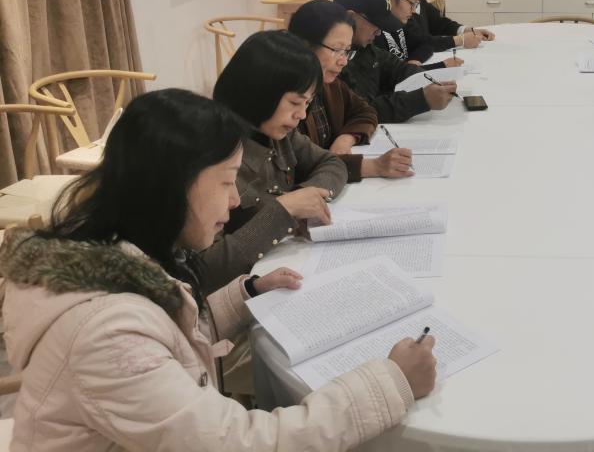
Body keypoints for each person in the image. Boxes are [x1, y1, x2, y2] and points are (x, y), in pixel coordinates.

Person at [0, 88, 437, 451]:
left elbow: (166, 337)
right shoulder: (105, 334)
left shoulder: (118, 256)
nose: (235, 200)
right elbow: (237, 442)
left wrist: (244, 295)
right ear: (171, 186)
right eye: (227, 181)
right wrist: (391, 381)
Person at [204, 30, 349, 291]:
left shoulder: (276, 132)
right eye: (295, 102)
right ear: (260, 92)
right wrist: (284, 211)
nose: (302, 115)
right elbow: (205, 270)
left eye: (307, 103)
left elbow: (332, 163)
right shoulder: (212, 154)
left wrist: (305, 198)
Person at [288, 0, 413, 179]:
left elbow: (365, 111)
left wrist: (346, 138)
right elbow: (299, 166)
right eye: (336, 49)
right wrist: (373, 167)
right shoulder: (285, 94)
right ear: (305, 44)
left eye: (347, 51)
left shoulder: (329, 83)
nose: (344, 61)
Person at [334, 0, 457, 122]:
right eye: (375, 24)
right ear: (350, 17)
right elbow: (358, 110)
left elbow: (399, 69)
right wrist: (420, 100)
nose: (378, 33)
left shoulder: (364, 47)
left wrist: (432, 79)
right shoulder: (332, 61)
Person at [376, 0, 463, 68]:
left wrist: (414, 61)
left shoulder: (401, 22)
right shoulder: (375, 33)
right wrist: (442, 65)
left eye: (416, 4)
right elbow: (390, 75)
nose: (413, 10)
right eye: (411, 2)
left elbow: (426, 45)